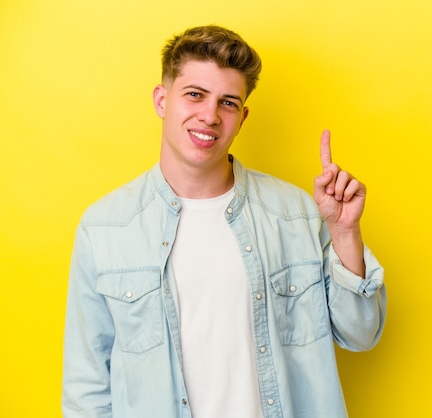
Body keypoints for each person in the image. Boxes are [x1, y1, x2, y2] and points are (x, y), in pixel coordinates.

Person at [62, 24, 386, 418]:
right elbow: (87, 388)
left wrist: (345, 233)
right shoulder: (104, 228)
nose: (210, 116)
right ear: (162, 100)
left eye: (228, 102)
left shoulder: (295, 213)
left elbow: (361, 334)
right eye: (195, 95)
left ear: (242, 116)